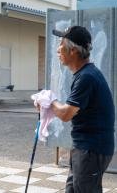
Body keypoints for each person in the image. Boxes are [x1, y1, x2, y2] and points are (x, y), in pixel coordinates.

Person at [36, 26, 115, 193]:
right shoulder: (84, 74)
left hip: (91, 150)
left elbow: (66, 114)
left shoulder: (86, 77)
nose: (57, 49)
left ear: (72, 50)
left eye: (61, 44)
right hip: (86, 147)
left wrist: (50, 101)